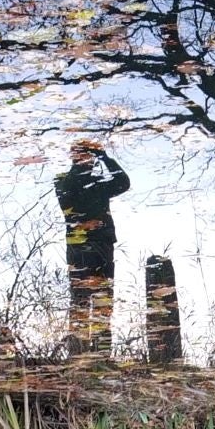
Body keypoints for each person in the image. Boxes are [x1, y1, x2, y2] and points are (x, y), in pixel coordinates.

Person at [54, 139, 130, 357]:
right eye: (83, 154)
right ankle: (79, 355)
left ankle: (101, 355)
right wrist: (101, 158)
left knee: (103, 298)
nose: (87, 159)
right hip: (82, 246)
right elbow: (120, 182)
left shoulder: (95, 183)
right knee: (81, 298)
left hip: (101, 244)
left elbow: (124, 183)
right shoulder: (67, 182)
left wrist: (104, 158)